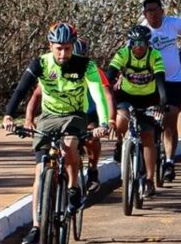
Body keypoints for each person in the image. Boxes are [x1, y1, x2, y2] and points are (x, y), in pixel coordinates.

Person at [2, 23, 110, 244]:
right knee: (41, 171)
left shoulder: (85, 65)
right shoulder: (40, 63)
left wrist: (104, 122)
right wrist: (9, 116)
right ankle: (37, 226)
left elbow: (98, 95)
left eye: (68, 49)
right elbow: (21, 90)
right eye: (58, 48)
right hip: (49, 116)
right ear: (50, 45)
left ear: (73, 47)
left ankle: (72, 188)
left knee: (70, 145)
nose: (63, 54)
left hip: (74, 115)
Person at [24, 37, 114, 194]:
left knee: (91, 136)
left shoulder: (93, 70)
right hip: (60, 113)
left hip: (89, 111)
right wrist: (29, 119)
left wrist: (108, 121)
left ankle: (92, 171)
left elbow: (106, 97)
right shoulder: (54, 69)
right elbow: (36, 96)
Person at [106, 25, 169, 197]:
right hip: (126, 95)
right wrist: (106, 89)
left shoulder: (154, 55)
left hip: (149, 97)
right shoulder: (123, 54)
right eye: (134, 42)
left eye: (142, 42)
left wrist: (162, 103)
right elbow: (109, 75)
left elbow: (161, 82)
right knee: (121, 121)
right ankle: (120, 143)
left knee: (147, 135)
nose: (138, 46)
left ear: (148, 43)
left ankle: (149, 180)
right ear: (130, 43)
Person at [141, 0, 181, 182]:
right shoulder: (143, 30)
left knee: (171, 119)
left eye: (155, 10)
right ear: (145, 14)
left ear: (162, 11)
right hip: (150, 81)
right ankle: (146, 170)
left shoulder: (173, 23)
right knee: (147, 122)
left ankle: (169, 161)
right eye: (148, 11)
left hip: (173, 79)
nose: (152, 14)